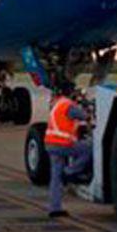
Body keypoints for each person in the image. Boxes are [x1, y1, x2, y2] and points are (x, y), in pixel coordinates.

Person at [45, 85, 92, 219]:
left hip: (51, 144)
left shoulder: (57, 104)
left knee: (55, 177)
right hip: (61, 144)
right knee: (89, 148)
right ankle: (70, 172)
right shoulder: (68, 105)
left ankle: (54, 208)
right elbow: (83, 116)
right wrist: (86, 110)